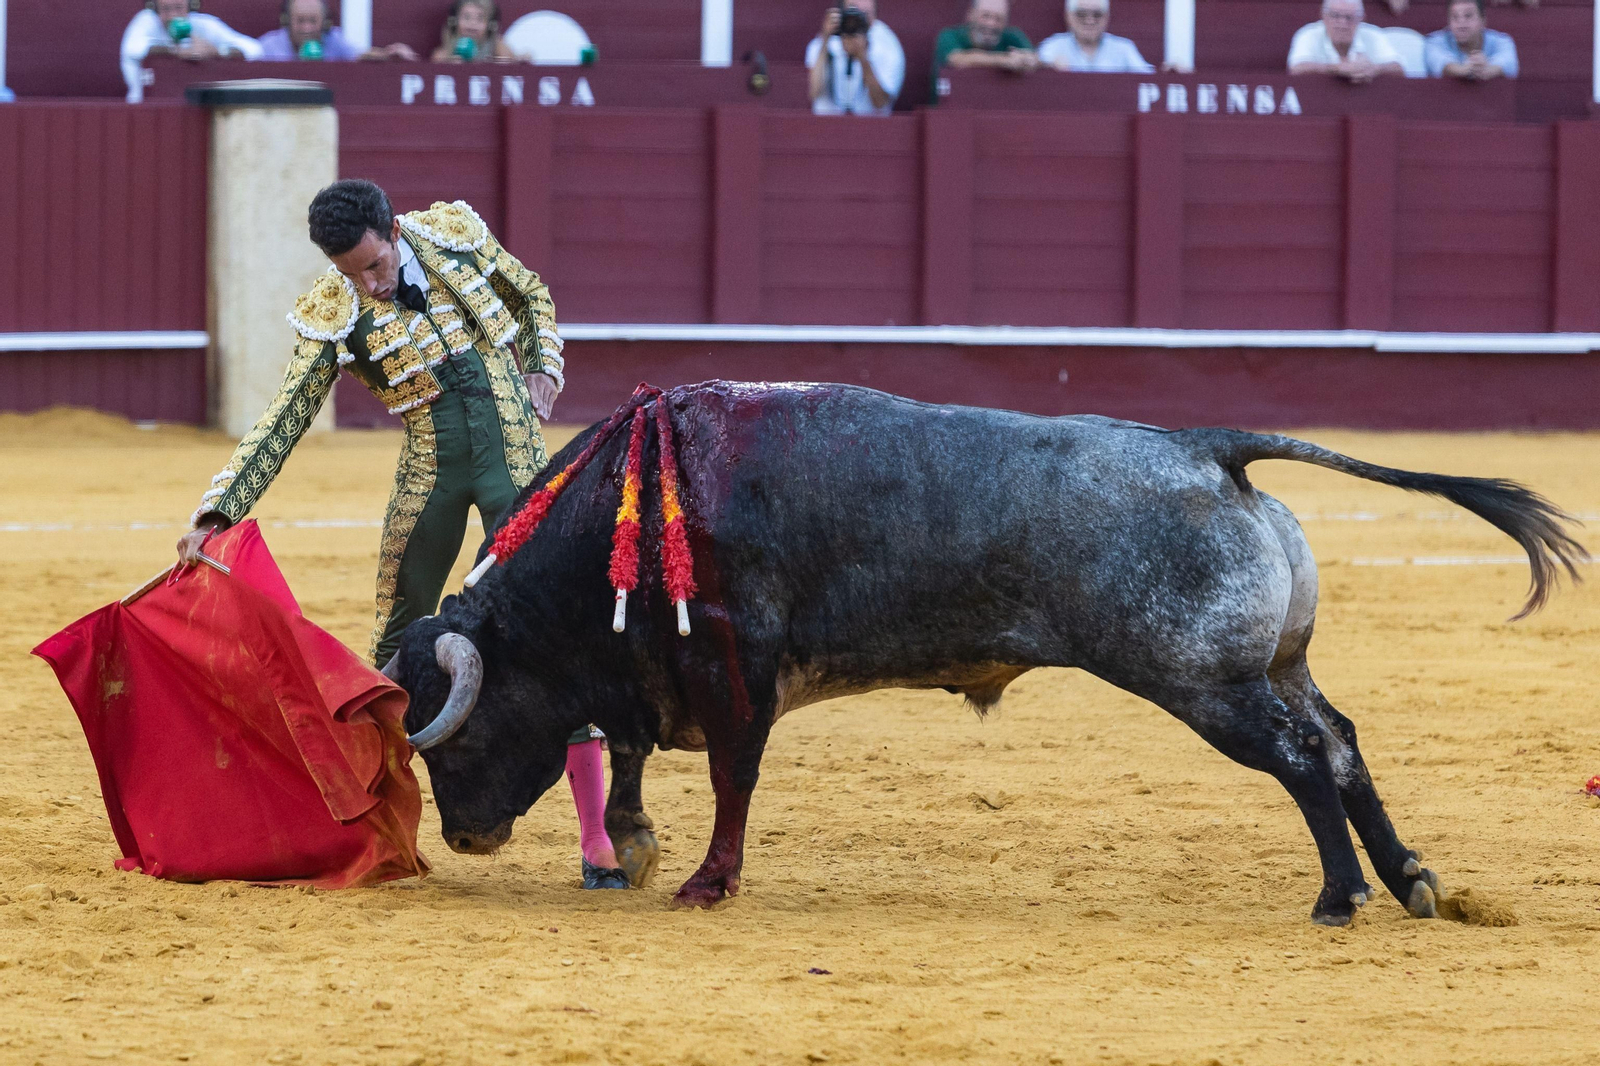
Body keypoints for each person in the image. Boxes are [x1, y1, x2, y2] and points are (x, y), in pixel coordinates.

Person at [174, 180, 627, 891]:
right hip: (431, 473)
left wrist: (542, 364)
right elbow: (285, 415)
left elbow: (531, 294)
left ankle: (600, 838)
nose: (369, 286)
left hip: (514, 457)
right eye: (351, 274)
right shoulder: (335, 310)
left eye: (375, 266)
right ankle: (373, 830)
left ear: (393, 230)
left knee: (561, 636)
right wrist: (218, 508)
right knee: (394, 643)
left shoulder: (453, 235)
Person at [121, 0, 264, 103]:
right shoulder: (146, 20)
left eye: (178, 8)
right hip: (144, 107)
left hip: (195, 106)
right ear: (156, 9)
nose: (172, 16)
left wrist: (216, 51)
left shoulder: (204, 25)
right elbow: (133, 48)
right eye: (165, 9)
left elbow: (255, 49)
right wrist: (176, 52)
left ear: (190, 6)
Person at [806, 1, 906, 116]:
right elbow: (814, 92)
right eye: (852, 9)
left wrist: (862, 57)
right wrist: (825, 39)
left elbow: (880, 103)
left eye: (865, 13)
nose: (856, 17)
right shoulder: (825, 42)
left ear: (874, 17)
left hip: (871, 126)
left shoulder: (887, 44)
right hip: (827, 123)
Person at [931, 0, 1037, 104]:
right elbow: (956, 58)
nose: (991, 24)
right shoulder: (950, 36)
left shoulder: (1013, 37)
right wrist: (1004, 60)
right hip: (952, 113)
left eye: (998, 19)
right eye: (985, 16)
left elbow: (1034, 58)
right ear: (971, 15)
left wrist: (1026, 60)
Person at [257, 0, 419, 61]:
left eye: (313, 21)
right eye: (300, 21)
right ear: (286, 21)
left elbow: (360, 56)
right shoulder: (268, 45)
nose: (306, 28)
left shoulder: (334, 39)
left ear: (325, 22)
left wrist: (388, 54)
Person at [1287, 0, 1404, 82]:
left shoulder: (1374, 34)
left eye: (1349, 17)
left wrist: (1374, 69)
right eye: (1335, 16)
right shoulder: (1308, 34)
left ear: (1361, 18)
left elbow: (1398, 68)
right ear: (1323, 16)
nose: (1342, 23)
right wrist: (1337, 69)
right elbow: (1296, 68)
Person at [1038, 0, 1154, 73]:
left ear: (1106, 17)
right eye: (1081, 14)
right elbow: (1034, 72)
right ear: (1069, 16)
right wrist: (1048, 66)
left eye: (1097, 14)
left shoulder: (1124, 49)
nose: (1090, 20)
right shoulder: (1053, 46)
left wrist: (1169, 74)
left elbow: (1148, 80)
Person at [1425, 0, 1518, 80]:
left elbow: (1507, 64)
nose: (1461, 24)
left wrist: (1487, 70)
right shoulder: (1434, 42)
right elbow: (1440, 64)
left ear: (1483, 20)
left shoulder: (1502, 41)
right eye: (1455, 17)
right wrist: (1466, 70)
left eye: (1468, 16)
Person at [431, 0, 524, 63]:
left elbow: (511, 64)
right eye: (466, 17)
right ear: (454, 21)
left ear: (490, 25)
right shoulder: (444, 54)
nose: (472, 23)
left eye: (480, 18)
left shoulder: (497, 46)